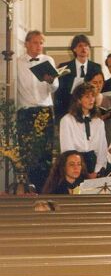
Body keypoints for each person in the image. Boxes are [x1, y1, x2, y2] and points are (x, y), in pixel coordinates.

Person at [15, 29, 57, 191]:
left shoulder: (48, 60)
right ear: (26, 44)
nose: (39, 46)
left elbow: (54, 87)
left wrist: (51, 81)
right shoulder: (17, 62)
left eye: (41, 43)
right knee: (28, 151)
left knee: (46, 152)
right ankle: (30, 187)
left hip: (45, 111)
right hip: (26, 112)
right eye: (35, 42)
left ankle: (44, 188)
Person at [59, 82, 108, 176]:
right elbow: (67, 150)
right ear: (78, 100)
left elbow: (102, 150)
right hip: (76, 166)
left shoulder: (98, 122)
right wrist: (81, 172)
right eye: (87, 97)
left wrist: (96, 172)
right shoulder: (67, 121)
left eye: (93, 96)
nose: (91, 100)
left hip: (94, 166)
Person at [54, 34, 102, 120]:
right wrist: (59, 117)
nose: (84, 48)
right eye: (80, 46)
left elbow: (99, 89)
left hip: (90, 112)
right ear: (74, 49)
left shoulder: (96, 67)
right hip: (68, 111)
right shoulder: (64, 67)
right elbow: (59, 94)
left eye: (86, 46)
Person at [89, 70, 111, 143]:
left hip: (108, 141)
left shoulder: (109, 99)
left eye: (100, 82)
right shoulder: (85, 102)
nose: (98, 86)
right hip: (91, 141)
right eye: (95, 83)